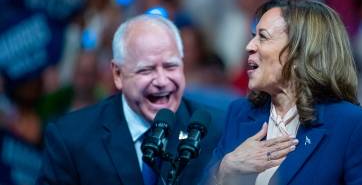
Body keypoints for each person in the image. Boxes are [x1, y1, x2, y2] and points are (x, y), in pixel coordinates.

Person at [202, 0, 362, 185]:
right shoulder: (240, 112)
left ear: (300, 53)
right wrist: (225, 169)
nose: (249, 46)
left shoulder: (352, 126)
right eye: (252, 36)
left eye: (263, 37)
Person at [36, 14, 225, 185]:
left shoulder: (217, 131)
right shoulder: (71, 138)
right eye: (146, 69)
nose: (162, 81)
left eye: (170, 67)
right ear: (118, 74)